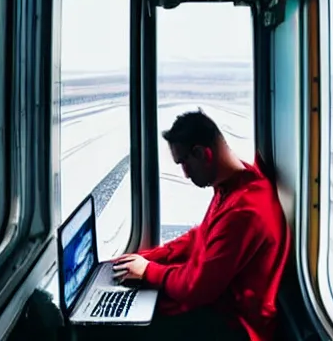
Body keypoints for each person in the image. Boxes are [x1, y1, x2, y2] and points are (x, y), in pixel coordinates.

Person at [111, 110, 290, 340]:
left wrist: (148, 271)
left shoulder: (244, 211)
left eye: (184, 164)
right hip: (220, 305)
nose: (185, 174)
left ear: (201, 153)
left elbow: (198, 288)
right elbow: (202, 236)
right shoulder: (234, 184)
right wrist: (149, 257)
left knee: (127, 330)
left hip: (236, 325)